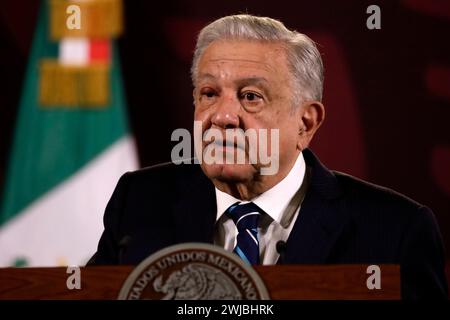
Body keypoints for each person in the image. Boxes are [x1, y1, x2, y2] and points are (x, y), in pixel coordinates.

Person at [88, 14, 448, 299]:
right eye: (209, 93)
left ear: (306, 123)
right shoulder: (140, 201)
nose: (223, 116)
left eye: (250, 96)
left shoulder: (395, 231)